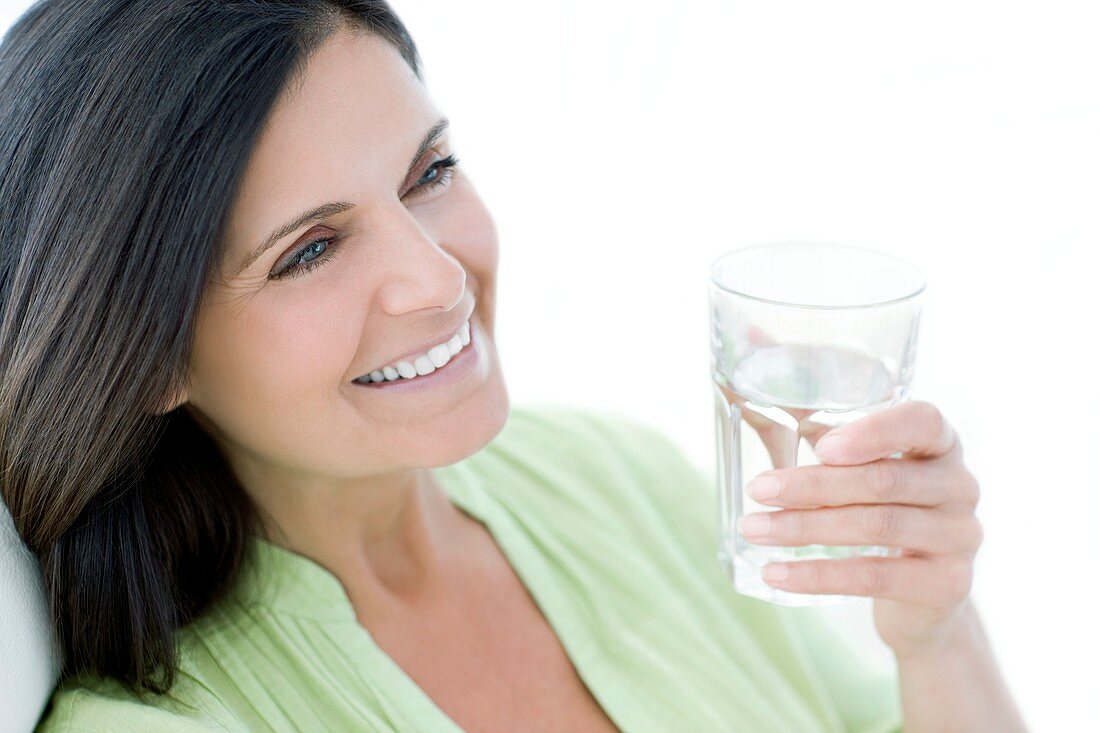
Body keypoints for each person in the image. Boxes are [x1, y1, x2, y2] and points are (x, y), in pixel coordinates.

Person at [0, 1, 1026, 731]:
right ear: (141, 356)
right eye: (310, 250)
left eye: (429, 173)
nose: (437, 277)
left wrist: (932, 635)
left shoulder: (620, 475)